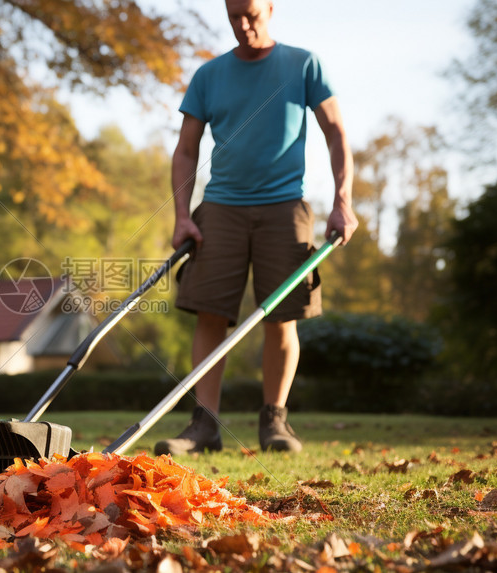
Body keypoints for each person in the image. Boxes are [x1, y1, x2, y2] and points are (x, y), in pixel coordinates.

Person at [154, 0, 358, 456]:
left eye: (251, 14)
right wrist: (182, 215)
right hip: (221, 207)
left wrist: (343, 202)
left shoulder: (303, 64)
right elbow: (186, 150)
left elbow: (336, 133)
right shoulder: (209, 75)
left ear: (271, 7)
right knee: (210, 314)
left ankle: (275, 423)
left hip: (285, 207)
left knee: (282, 316)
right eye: (233, 16)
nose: (243, 25)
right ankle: (204, 426)